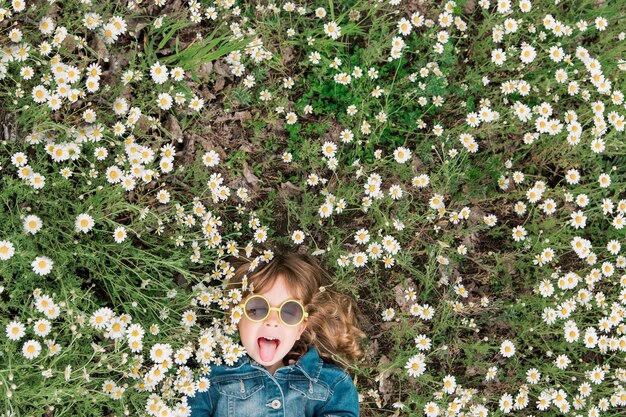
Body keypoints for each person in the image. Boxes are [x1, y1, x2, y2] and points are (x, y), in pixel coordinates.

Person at [187, 251, 367, 416]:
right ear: (235, 315)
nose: (272, 321)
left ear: (300, 328)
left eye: (289, 312)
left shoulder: (332, 384)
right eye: (257, 308)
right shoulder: (209, 379)